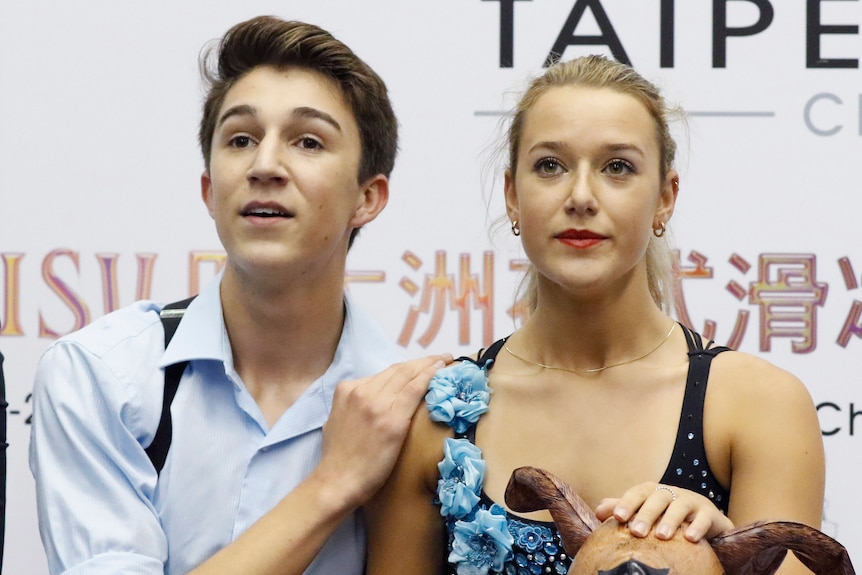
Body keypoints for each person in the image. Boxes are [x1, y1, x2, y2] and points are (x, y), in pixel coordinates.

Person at [365, 55, 825, 575]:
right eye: (550, 166)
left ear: (665, 199)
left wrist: (722, 550)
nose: (581, 196)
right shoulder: (443, 419)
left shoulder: (753, 404)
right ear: (513, 195)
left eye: (618, 167)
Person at [29, 15, 449, 575]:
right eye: (241, 139)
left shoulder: (417, 411)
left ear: (367, 198)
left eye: (307, 141)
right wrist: (333, 486)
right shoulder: (101, 375)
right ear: (210, 189)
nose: (265, 166)